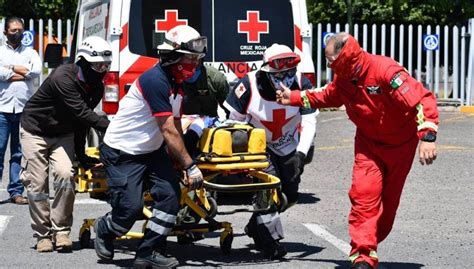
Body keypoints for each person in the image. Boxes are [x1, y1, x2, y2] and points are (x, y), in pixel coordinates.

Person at [276, 32, 439, 269]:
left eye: (331, 61)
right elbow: (327, 95)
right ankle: (363, 256)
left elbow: (420, 100)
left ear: (345, 58)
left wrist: (428, 136)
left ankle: (371, 237)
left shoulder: (385, 71)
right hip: (368, 146)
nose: (329, 65)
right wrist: (292, 97)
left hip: (400, 147)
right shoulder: (343, 79)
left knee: (387, 208)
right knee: (363, 195)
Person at [93, 25, 205, 269]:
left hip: (152, 152)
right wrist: (190, 164)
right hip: (124, 152)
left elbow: (175, 123)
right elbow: (166, 128)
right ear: (174, 58)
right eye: (191, 58)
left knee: (170, 198)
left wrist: (180, 156)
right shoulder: (155, 80)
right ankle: (105, 229)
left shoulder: (177, 83)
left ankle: (149, 250)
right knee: (129, 209)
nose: (195, 63)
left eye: (197, 59)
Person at [223, 43, 318, 259]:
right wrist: (241, 156)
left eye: (289, 73)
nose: (285, 79)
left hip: (288, 145)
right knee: (269, 187)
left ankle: (256, 225)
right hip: (257, 147)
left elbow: (310, 121)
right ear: (267, 70)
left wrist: (301, 155)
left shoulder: (302, 82)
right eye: (279, 74)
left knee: (290, 195)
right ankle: (270, 242)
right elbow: (233, 123)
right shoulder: (248, 84)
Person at [20, 36, 112, 252]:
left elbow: (82, 122)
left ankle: (61, 231)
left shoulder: (96, 86)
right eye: (98, 65)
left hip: (63, 133)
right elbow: (81, 112)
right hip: (36, 131)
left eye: (106, 65)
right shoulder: (63, 77)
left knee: (65, 175)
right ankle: (43, 235)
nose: (102, 70)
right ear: (84, 61)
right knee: (38, 184)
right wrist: (112, 127)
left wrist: (81, 155)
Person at [0, 16, 41, 204]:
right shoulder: (0, 52)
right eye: (13, 30)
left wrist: (10, 70)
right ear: (5, 32)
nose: (17, 33)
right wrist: (21, 73)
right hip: (2, 109)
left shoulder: (31, 52)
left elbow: (36, 71)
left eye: (20, 30)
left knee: (18, 153)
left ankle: (15, 191)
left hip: (25, 110)